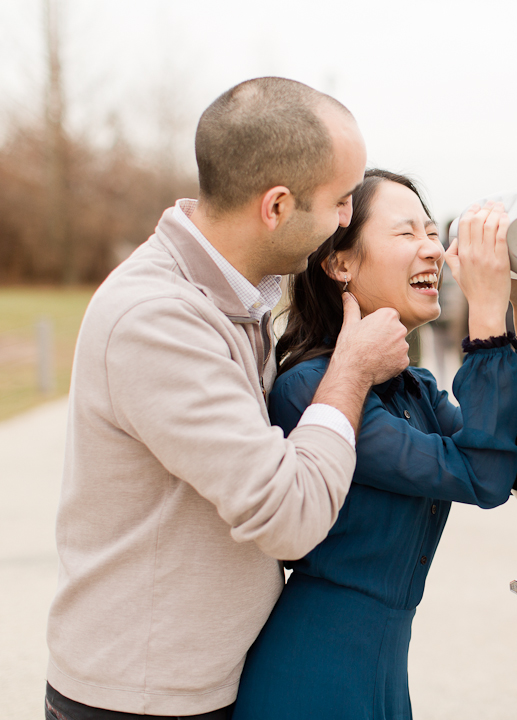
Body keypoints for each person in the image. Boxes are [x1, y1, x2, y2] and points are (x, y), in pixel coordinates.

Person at [45, 78, 411, 719]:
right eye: (341, 200)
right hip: (143, 700)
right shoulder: (158, 319)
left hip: (208, 682)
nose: (349, 219)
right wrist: (349, 371)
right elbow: (287, 515)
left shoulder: (237, 295)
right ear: (276, 206)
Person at [232, 170, 517, 719]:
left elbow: (509, 440)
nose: (433, 251)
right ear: (340, 264)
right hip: (313, 679)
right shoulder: (314, 393)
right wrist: (485, 318)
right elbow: (481, 476)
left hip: (379, 677)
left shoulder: (409, 387)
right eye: (405, 233)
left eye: (433, 232)